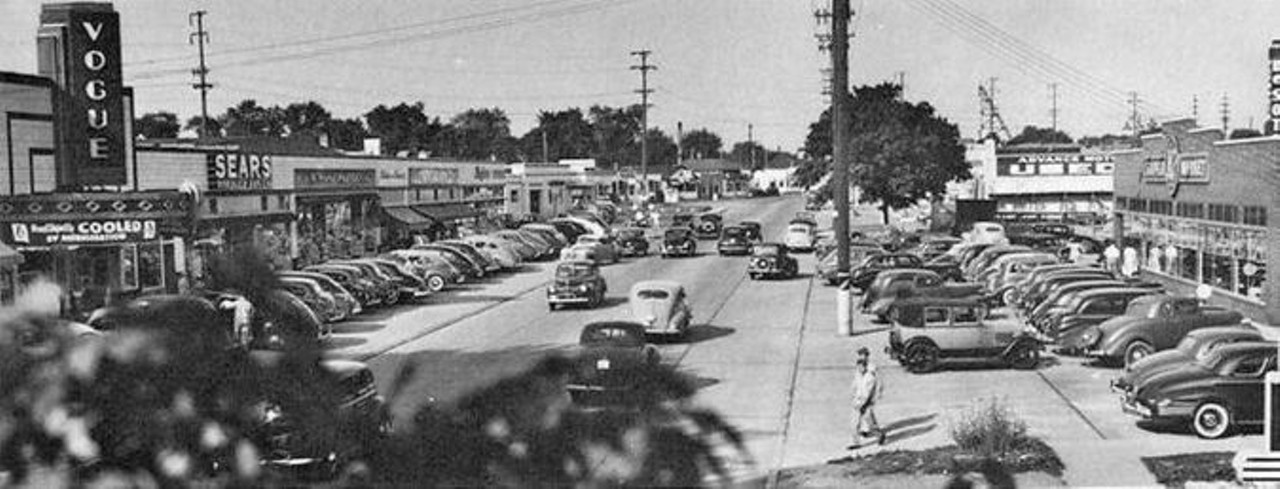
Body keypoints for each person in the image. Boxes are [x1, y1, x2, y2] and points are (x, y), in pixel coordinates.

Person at [849, 347, 885, 449]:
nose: (862, 356)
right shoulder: (858, 372)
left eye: (863, 354)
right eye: (860, 354)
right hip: (858, 401)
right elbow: (855, 385)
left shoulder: (871, 371)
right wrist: (854, 397)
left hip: (866, 401)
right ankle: (856, 443)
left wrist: (877, 394)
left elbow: (872, 387)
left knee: (870, 421)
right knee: (855, 423)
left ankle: (879, 434)